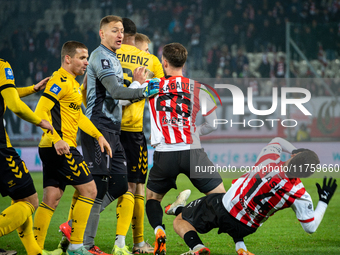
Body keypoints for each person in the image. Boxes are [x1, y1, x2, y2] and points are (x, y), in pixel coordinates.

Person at [59, 15, 159, 255]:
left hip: (113, 128)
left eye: (122, 31)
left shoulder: (113, 57)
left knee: (119, 185)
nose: (120, 35)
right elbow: (115, 90)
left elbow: (120, 98)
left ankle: (73, 227)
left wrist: (136, 86)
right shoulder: (101, 56)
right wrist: (144, 89)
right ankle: (86, 243)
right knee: (98, 187)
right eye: (114, 30)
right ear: (102, 33)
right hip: (98, 127)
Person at [166, 137, 337, 255]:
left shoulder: (268, 160)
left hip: (223, 208)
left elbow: (277, 141)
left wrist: (296, 150)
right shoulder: (299, 193)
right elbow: (311, 228)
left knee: (180, 219)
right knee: (235, 213)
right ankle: (240, 247)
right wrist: (323, 200)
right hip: (247, 227)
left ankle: (197, 246)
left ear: (293, 156)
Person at [145, 43, 226, 255]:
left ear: (164, 62)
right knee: (221, 198)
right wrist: (195, 131)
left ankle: (160, 230)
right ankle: (184, 213)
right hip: (193, 152)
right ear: (185, 62)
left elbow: (127, 96)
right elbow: (213, 124)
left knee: (153, 199)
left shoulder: (152, 85)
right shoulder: (199, 88)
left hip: (164, 154)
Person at [32, 41, 112, 255]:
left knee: (52, 198)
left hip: (51, 147)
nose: (86, 62)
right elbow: (40, 111)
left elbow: (78, 117)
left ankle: (35, 249)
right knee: (90, 190)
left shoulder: (72, 83)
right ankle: (77, 246)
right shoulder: (60, 80)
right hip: (61, 147)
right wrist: (57, 138)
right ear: (68, 58)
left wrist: (98, 136)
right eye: (82, 57)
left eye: (87, 58)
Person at [102, 19, 164, 255]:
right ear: (136, 40)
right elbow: (166, 83)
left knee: (100, 185)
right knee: (135, 187)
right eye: (146, 48)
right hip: (131, 129)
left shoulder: (106, 56)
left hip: (106, 128)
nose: (146, 54)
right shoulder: (147, 60)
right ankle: (135, 242)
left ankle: (78, 233)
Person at [0, 59, 61, 255]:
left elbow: (7, 92)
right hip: (0, 148)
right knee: (28, 201)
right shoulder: (1, 65)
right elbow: (14, 104)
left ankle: (34, 251)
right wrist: (39, 121)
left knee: (19, 197)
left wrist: (32, 89)